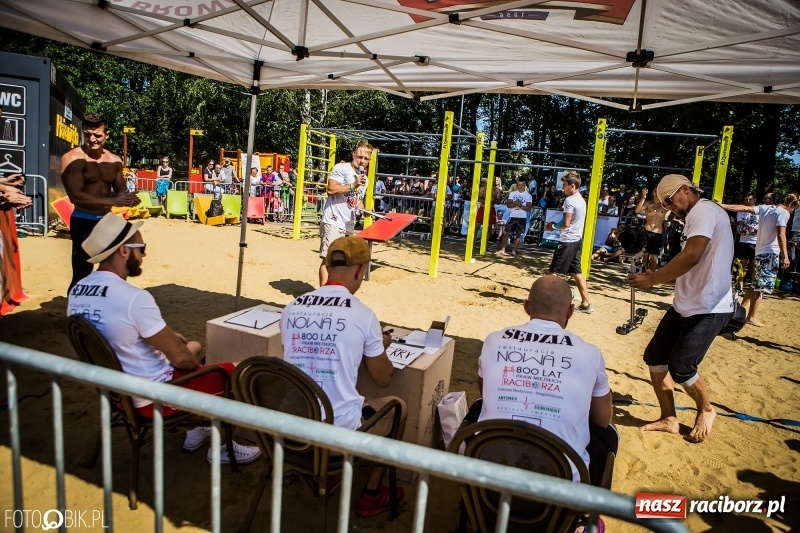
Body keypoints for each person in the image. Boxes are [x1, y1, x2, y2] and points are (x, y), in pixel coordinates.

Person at [67, 214, 261, 464]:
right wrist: (200, 372)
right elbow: (182, 360)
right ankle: (220, 446)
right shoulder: (133, 297)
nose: (144, 255)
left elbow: (114, 333)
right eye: (141, 248)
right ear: (124, 251)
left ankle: (196, 429)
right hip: (152, 397)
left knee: (194, 346)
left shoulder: (78, 290)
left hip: (116, 391)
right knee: (236, 371)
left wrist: (165, 341)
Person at [281, 236, 406, 517]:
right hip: (336, 434)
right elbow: (383, 378)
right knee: (397, 407)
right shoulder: (363, 315)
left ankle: (321, 473)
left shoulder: (292, 308)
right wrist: (377, 346)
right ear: (360, 271)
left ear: (326, 265)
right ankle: (372, 493)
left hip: (290, 429)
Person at [476, 276, 616, 486]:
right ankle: (587, 509)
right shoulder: (590, 353)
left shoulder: (494, 340)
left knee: (479, 407)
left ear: (526, 306)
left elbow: (483, 389)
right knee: (608, 432)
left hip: (489, 471)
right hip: (559, 484)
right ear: (570, 311)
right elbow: (602, 419)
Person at [629, 174, 734, 443]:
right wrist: (659, 274)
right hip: (686, 303)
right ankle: (669, 418)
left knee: (682, 367)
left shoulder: (704, 210)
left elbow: (692, 256)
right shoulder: (694, 216)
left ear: (685, 190)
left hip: (710, 305)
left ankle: (707, 410)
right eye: (664, 204)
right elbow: (692, 263)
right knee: (655, 357)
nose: (669, 207)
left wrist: (653, 279)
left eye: (670, 201)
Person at [61, 113, 141, 292]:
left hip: (106, 221)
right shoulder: (72, 159)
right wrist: (115, 200)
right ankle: (75, 315)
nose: (92, 139)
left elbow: (120, 188)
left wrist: (129, 197)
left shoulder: (114, 161)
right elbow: (76, 196)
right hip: (83, 219)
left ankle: (105, 306)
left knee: (116, 268)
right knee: (82, 271)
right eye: (87, 134)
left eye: (97, 135)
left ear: (107, 134)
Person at [719, 193, 799, 326]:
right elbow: (781, 234)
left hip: (759, 251)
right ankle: (751, 317)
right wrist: (785, 255)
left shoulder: (766, 208)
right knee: (761, 287)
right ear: (792, 205)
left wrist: (721, 205)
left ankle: (742, 309)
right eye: (794, 209)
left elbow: (743, 208)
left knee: (756, 283)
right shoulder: (784, 213)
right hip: (770, 253)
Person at [318, 141, 372, 286]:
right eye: (360, 156)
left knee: (342, 261)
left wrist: (364, 209)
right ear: (353, 154)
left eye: (366, 159)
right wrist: (353, 184)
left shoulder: (364, 179)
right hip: (333, 220)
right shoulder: (341, 168)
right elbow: (331, 190)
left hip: (348, 224)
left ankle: (335, 292)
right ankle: (323, 294)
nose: (362, 161)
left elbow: (356, 200)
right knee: (328, 259)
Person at [545, 171, 593, 313]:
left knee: (554, 274)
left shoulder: (569, 201)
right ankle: (586, 303)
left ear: (572, 186)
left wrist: (552, 226)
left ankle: (550, 304)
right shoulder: (581, 200)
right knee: (576, 273)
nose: (562, 188)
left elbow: (566, 224)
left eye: (565, 185)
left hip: (567, 241)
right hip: (576, 240)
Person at [635, 188, 667, 272]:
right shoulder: (648, 203)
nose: (656, 193)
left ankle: (651, 278)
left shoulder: (664, 205)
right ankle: (643, 275)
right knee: (645, 256)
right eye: (655, 191)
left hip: (658, 233)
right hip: (647, 231)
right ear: (652, 192)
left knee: (653, 258)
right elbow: (637, 210)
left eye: (658, 191)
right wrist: (643, 197)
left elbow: (676, 209)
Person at [732, 192, 759, 291]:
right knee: (742, 264)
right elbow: (740, 227)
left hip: (755, 242)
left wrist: (753, 230)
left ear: (754, 200)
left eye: (750, 199)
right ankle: (740, 286)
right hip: (743, 242)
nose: (748, 201)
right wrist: (744, 229)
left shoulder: (759, 211)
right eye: (746, 200)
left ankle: (754, 287)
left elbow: (761, 228)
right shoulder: (741, 212)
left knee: (754, 266)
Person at [498, 177, 532, 256]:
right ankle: (503, 249)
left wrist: (520, 206)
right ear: (517, 185)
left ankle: (513, 250)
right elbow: (508, 205)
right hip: (512, 215)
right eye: (519, 185)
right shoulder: (512, 193)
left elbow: (529, 207)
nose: (520, 186)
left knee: (518, 234)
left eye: (522, 185)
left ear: (524, 185)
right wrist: (515, 204)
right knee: (506, 232)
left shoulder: (528, 195)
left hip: (522, 217)